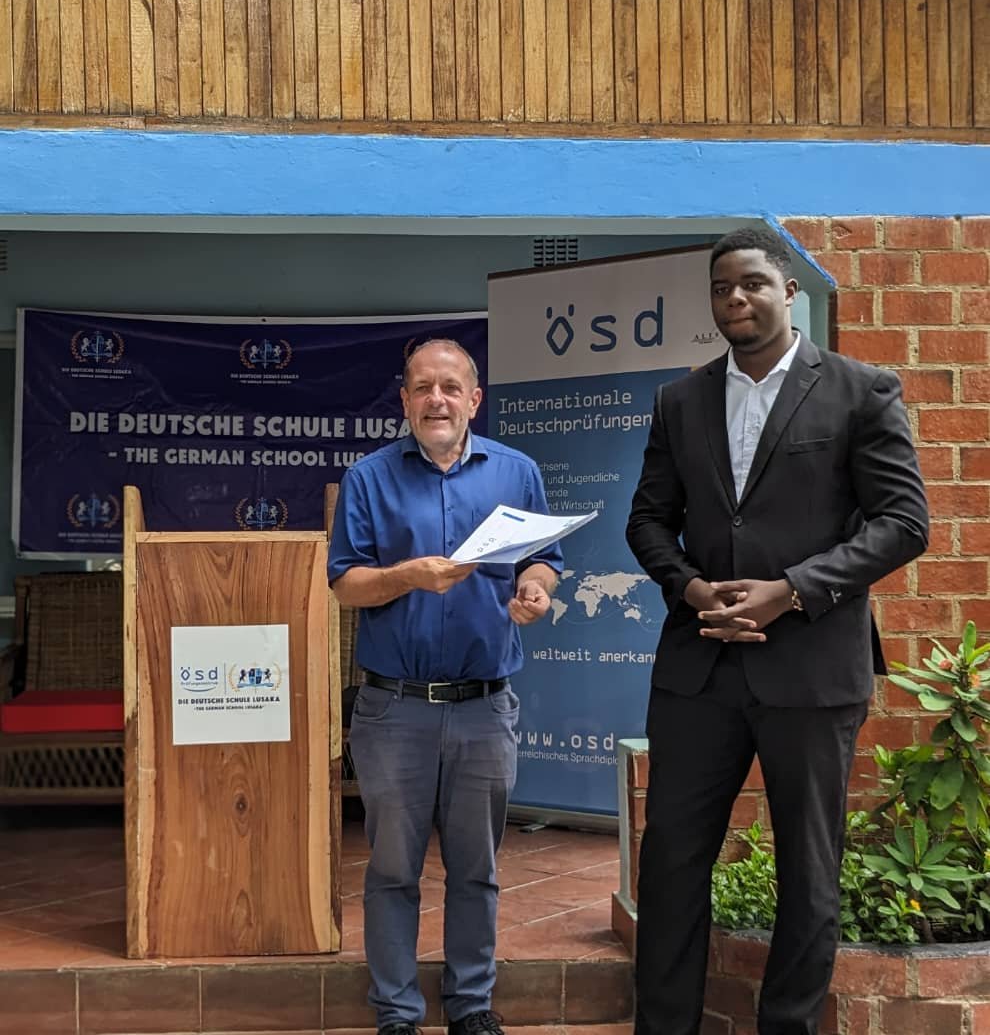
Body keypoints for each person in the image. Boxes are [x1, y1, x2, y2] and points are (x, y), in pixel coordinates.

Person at [626, 227, 929, 1035]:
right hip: (698, 669)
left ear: (789, 291)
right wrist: (691, 588)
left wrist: (791, 592)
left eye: (753, 283)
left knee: (809, 867)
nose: (736, 299)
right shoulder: (679, 401)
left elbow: (904, 523)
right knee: (671, 862)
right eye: (722, 287)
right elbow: (648, 522)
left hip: (812, 668)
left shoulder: (861, 391)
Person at [329, 338, 562, 1035]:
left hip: (484, 707)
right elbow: (345, 585)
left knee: (476, 867)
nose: (437, 399)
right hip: (393, 709)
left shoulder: (517, 472)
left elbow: (545, 558)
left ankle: (470, 1006)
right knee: (392, 869)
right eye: (423, 387)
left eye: (450, 387)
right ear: (404, 400)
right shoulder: (368, 478)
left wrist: (535, 588)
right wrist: (409, 575)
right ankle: (397, 1013)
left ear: (473, 399)